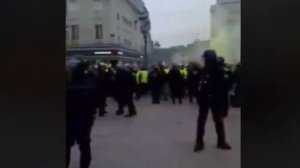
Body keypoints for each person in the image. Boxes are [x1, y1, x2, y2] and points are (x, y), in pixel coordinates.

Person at [194, 50, 232, 152]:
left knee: (217, 121)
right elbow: (198, 86)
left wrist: (225, 105)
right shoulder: (203, 71)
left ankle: (220, 141)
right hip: (205, 100)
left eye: (205, 58)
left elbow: (224, 89)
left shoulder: (219, 71)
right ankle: (200, 142)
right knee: (203, 121)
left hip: (215, 99)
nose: (204, 60)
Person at [66, 60, 98, 168]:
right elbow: (95, 102)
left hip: (69, 120)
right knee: (85, 146)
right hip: (85, 120)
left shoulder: (67, 85)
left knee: (66, 147)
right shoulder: (90, 83)